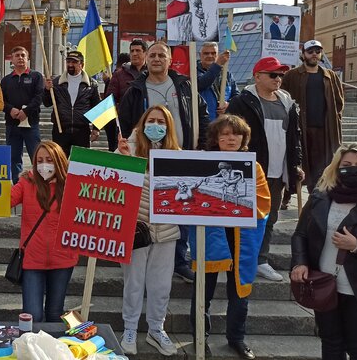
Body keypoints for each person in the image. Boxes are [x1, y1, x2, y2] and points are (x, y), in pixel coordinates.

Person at [118, 41, 210, 283]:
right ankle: (137, 255)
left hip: (179, 158)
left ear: (170, 60)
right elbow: (124, 123)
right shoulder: (135, 90)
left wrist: (201, 146)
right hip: (145, 161)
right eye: (153, 55)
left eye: (162, 55)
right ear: (146, 60)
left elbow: (202, 115)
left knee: (179, 211)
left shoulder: (184, 86)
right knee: (142, 212)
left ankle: (179, 261)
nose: (157, 59)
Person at [190, 115, 271, 360]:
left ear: (244, 138)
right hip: (211, 233)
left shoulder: (253, 167)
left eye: (235, 134)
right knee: (203, 289)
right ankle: (199, 337)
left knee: (239, 292)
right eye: (224, 134)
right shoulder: (203, 163)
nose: (230, 138)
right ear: (216, 138)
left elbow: (263, 203)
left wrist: (238, 207)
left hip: (241, 235)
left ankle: (237, 339)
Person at [291, 143, 357, 359]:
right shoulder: (320, 197)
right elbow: (300, 234)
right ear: (337, 167)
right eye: (346, 165)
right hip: (325, 286)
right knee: (330, 343)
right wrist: (300, 262)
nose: (352, 169)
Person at [227, 57, 304, 282]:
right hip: (249, 172)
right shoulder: (242, 102)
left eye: (280, 75)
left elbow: (295, 137)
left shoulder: (288, 103)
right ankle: (235, 259)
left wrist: (295, 164)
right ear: (257, 76)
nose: (278, 79)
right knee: (241, 217)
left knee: (269, 218)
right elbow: (228, 132)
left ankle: (261, 260)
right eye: (273, 74)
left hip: (278, 172)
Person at [116, 105, 180, 357]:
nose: (156, 125)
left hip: (166, 230)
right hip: (136, 229)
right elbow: (111, 181)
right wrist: (122, 159)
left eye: (161, 122)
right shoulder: (127, 147)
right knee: (133, 282)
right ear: (143, 124)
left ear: (168, 127)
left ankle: (156, 329)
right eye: (151, 120)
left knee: (161, 284)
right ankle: (129, 329)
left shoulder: (177, 154)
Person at [10, 140, 77, 322]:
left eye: (49, 160)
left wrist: (123, 155)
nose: (44, 165)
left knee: (55, 313)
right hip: (33, 260)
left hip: (63, 259)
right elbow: (5, 200)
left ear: (59, 161)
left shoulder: (72, 184)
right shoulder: (27, 182)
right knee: (33, 315)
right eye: (39, 161)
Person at [281, 40, 344, 193]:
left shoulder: (330, 76)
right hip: (301, 128)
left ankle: (316, 195)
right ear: (303, 54)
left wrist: (335, 119)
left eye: (317, 51)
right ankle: (288, 194)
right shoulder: (292, 75)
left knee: (322, 166)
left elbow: (339, 101)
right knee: (299, 163)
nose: (314, 54)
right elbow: (282, 97)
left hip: (324, 129)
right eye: (310, 51)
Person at [43, 50, 101, 157]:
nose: (70, 65)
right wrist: (46, 90)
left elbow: (97, 107)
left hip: (82, 130)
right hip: (61, 129)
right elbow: (47, 103)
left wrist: (96, 128)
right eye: (68, 61)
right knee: (60, 161)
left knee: (81, 162)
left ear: (81, 64)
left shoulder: (91, 84)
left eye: (74, 62)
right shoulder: (57, 82)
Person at [1, 46, 44, 183]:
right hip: (12, 124)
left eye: (23, 55)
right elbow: (1, 100)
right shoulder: (6, 80)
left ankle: (40, 184)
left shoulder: (36, 76)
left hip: (31, 124)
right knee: (14, 158)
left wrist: (26, 111)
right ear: (12, 60)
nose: (20, 58)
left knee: (36, 156)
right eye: (17, 55)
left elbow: (39, 97)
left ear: (28, 58)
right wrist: (10, 109)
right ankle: (17, 185)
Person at [196, 42, 239, 121]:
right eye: (206, 53)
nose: (210, 56)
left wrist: (229, 105)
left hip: (224, 121)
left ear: (217, 55)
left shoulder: (226, 74)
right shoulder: (194, 72)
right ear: (200, 55)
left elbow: (236, 96)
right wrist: (217, 65)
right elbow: (201, 84)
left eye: (213, 53)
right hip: (204, 121)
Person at [102, 52, 131, 151]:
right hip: (115, 118)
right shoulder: (117, 76)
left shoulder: (116, 76)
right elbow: (109, 98)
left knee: (114, 146)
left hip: (115, 118)